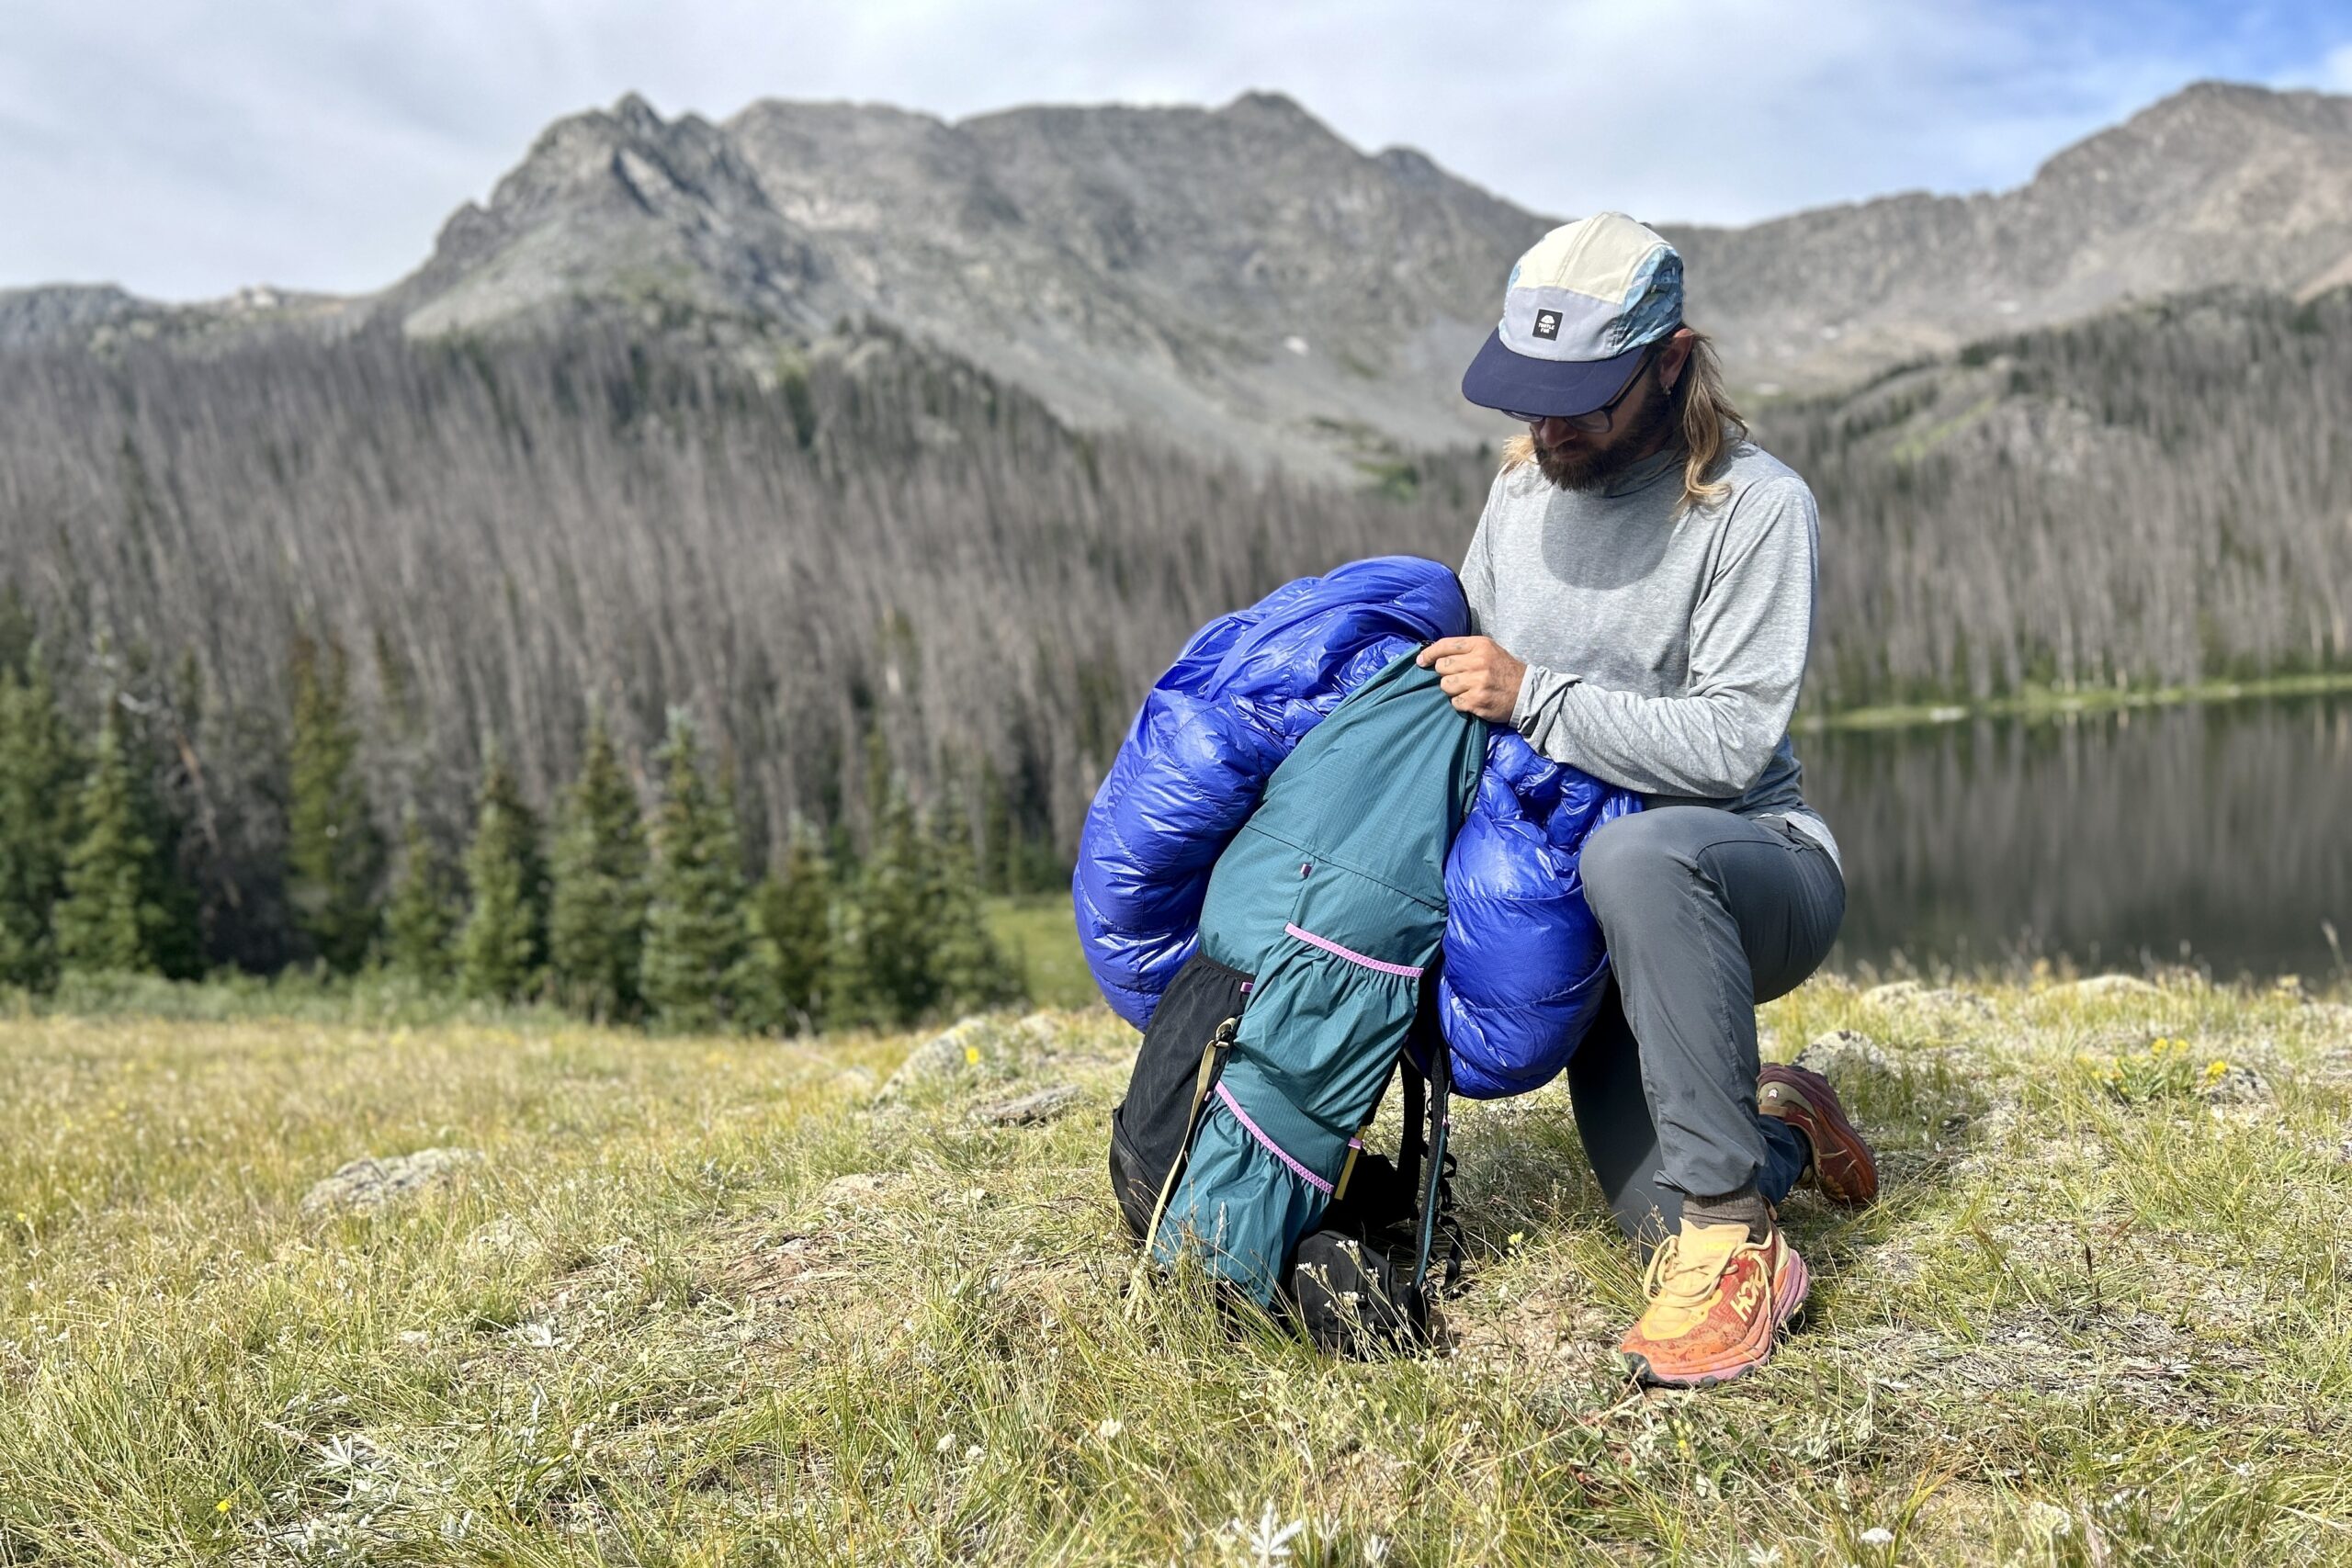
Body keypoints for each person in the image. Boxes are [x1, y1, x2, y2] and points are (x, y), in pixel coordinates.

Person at [1415, 212, 1879, 1389]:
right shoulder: (1521, 491)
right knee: (1645, 1225)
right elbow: (1467, 670)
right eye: (1531, 396)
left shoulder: (1754, 507)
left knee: (1638, 862)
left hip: (1742, 865)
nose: (1549, 425)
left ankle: (1739, 1239)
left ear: (1669, 364)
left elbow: (1729, 746)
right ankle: (1766, 1122)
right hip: (1585, 896)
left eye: (1583, 397)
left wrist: (1536, 698)